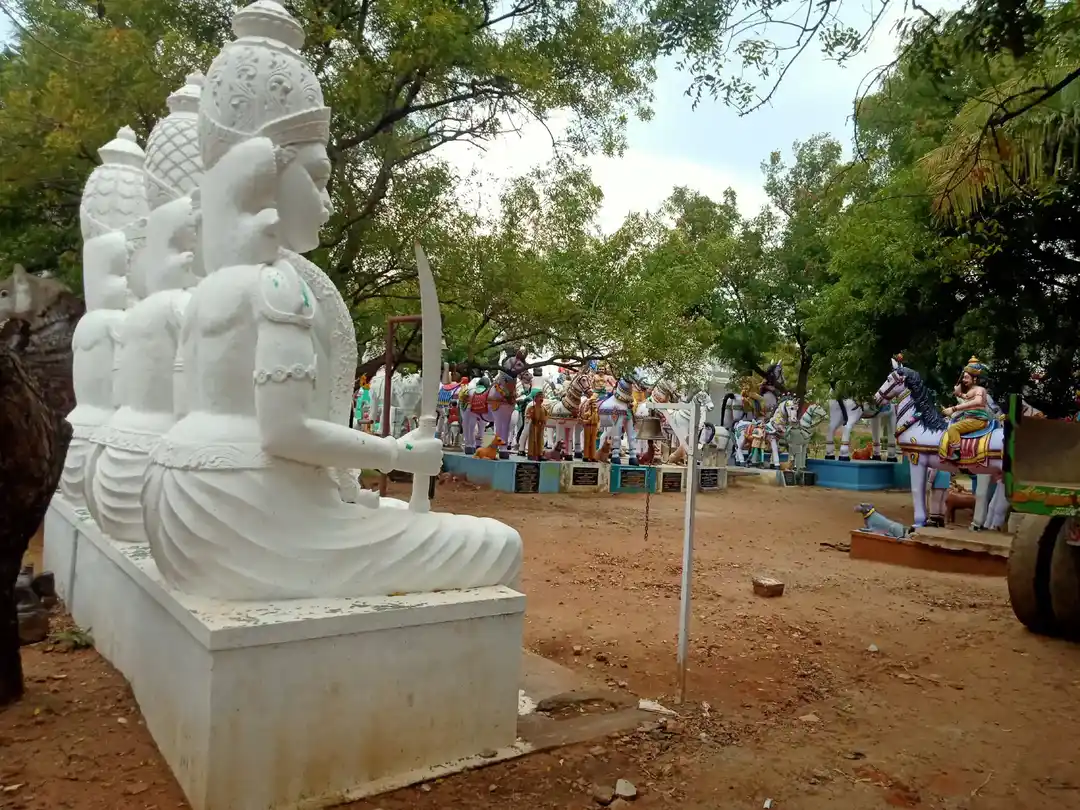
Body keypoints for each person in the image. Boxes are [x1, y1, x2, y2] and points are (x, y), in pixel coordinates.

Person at [939, 356, 992, 461]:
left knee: (953, 428)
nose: (964, 380)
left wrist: (954, 409)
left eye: (966, 377)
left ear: (975, 379)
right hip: (969, 418)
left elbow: (977, 401)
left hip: (978, 420)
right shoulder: (971, 391)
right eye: (963, 377)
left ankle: (957, 452)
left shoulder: (980, 390)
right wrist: (958, 394)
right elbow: (965, 397)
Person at [524, 391, 547, 460]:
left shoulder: (544, 408)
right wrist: (530, 415)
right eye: (540, 397)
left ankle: (540, 454)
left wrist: (544, 423)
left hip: (541, 426)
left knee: (540, 440)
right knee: (532, 440)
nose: (541, 399)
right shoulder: (532, 408)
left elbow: (546, 416)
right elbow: (527, 415)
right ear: (535, 399)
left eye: (542, 397)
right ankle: (531, 454)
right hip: (534, 425)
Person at [580, 390, 600, 462]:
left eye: (595, 404)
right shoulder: (586, 414)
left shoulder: (596, 414)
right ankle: (586, 455)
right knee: (587, 441)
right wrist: (588, 420)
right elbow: (583, 421)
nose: (594, 406)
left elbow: (598, 421)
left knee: (593, 442)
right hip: (588, 427)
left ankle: (593, 456)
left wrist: (598, 427)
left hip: (594, 428)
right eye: (593, 404)